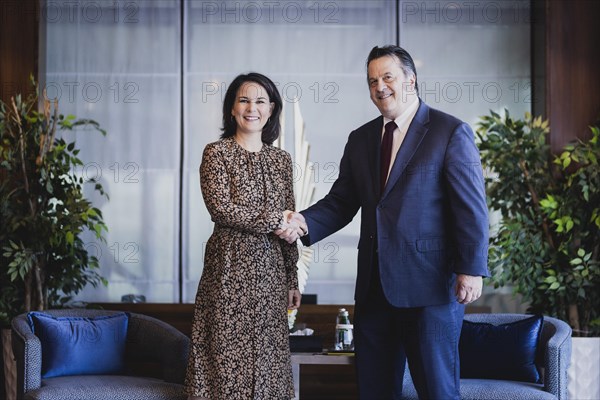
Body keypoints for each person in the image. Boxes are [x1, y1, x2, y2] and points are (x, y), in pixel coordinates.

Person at [278, 45, 489, 399]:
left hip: (431, 290)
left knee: (438, 391)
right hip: (375, 291)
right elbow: (342, 202)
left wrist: (472, 268)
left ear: (410, 79)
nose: (380, 87)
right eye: (372, 80)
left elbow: (471, 209)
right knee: (375, 390)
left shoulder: (449, 132)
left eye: (387, 77)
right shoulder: (361, 139)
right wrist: (302, 222)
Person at [185, 72, 303, 400]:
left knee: (268, 365)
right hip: (228, 272)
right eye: (244, 100)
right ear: (232, 109)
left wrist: (292, 279)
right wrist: (276, 219)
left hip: (271, 278)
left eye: (261, 101)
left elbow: (289, 225)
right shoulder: (217, 153)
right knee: (225, 361)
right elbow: (220, 209)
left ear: (272, 109)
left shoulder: (281, 161)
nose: (252, 107)